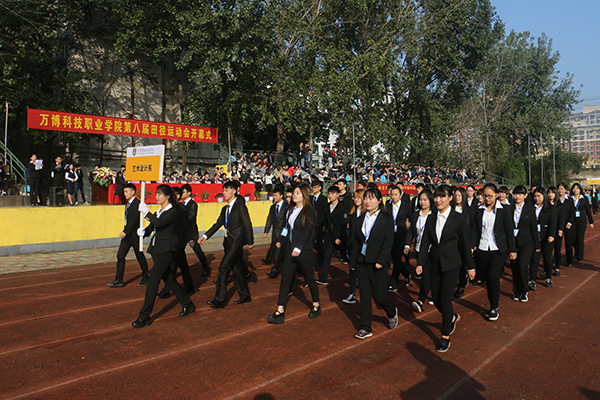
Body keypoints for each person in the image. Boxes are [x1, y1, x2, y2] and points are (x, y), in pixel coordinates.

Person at [416, 185, 475, 352]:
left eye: (442, 196)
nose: (438, 200)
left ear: (450, 198)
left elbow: (464, 244)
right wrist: (420, 263)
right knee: (435, 298)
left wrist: (470, 266)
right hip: (434, 263)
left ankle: (445, 335)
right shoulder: (431, 217)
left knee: (445, 298)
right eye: (436, 196)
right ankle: (452, 317)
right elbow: (425, 242)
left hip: (452, 263)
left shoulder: (458, 218)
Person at [133, 184, 195, 328]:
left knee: (153, 281)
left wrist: (146, 212)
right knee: (169, 279)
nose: (157, 196)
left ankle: (144, 315)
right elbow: (153, 227)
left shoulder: (172, 212)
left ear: (167, 196)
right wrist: (144, 232)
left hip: (166, 251)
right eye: (156, 193)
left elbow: (160, 223)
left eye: (160, 194)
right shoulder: (159, 211)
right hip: (156, 250)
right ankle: (187, 304)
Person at [350, 186, 398, 339]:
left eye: (371, 198)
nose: (367, 201)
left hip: (378, 263)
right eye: (366, 198)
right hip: (362, 262)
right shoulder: (360, 218)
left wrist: (382, 260)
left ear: (379, 200)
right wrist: (353, 262)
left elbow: (388, 241)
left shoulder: (386, 218)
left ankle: (391, 312)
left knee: (380, 296)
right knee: (364, 297)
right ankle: (365, 327)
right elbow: (357, 242)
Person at [267, 185, 321, 324]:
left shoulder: (309, 211)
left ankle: (316, 304)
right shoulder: (290, 210)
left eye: (298, 193)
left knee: (309, 278)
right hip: (290, 250)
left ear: (304, 195)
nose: (294, 195)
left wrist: (298, 248)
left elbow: (307, 231)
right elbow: (287, 228)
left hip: (304, 251)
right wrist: (281, 240)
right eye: (293, 193)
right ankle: (280, 310)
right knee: (285, 279)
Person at [199, 181, 254, 308]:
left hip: (236, 242)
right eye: (223, 190)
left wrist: (250, 241)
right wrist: (205, 236)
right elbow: (218, 223)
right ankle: (245, 295)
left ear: (234, 191)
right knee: (237, 269)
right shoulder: (225, 209)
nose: (224, 193)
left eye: (227, 190)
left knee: (223, 267)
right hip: (228, 242)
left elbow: (247, 223)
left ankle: (220, 299)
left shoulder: (240, 206)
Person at [473, 183, 517, 321]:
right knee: (488, 278)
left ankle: (494, 307)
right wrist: (473, 245)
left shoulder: (504, 210)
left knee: (493, 276)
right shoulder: (479, 210)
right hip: (482, 248)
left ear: (496, 195)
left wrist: (512, 249)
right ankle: (492, 303)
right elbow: (475, 230)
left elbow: (509, 230)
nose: (487, 198)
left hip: (498, 249)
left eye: (490, 196)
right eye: (485, 196)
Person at [108, 183, 150, 288]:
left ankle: (145, 276)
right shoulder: (128, 204)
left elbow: (134, 220)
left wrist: (125, 231)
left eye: (127, 191)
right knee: (120, 256)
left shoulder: (137, 204)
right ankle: (119, 279)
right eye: (124, 192)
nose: (125, 194)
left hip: (134, 235)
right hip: (127, 236)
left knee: (140, 256)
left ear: (133, 192)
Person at [156, 187, 195, 298]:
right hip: (173, 240)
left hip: (178, 241)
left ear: (176, 196)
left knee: (172, 265)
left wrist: (190, 239)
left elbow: (187, 225)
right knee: (182, 264)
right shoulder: (169, 208)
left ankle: (167, 289)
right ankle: (189, 285)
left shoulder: (180, 209)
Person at [509, 185, 540, 302]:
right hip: (513, 242)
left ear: (525, 196)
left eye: (520, 194)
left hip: (527, 242)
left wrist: (537, 245)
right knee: (514, 267)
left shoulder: (530, 209)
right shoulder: (509, 208)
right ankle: (516, 291)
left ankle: (524, 290)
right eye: (516, 194)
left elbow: (533, 227)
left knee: (522, 266)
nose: (517, 196)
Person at [407, 190, 435, 313]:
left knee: (432, 275)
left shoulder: (435, 214)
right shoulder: (416, 214)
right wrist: (407, 245)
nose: (422, 202)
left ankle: (422, 299)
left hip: (433, 250)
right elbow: (411, 231)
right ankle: (421, 300)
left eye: (425, 200)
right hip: (420, 249)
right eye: (420, 199)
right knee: (425, 276)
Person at [318, 185, 348, 285]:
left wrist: (340, 237)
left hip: (340, 236)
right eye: (329, 194)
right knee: (326, 256)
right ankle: (324, 277)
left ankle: (354, 274)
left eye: (333, 194)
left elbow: (344, 224)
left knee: (347, 257)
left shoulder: (342, 207)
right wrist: (324, 236)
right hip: (329, 236)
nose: (330, 196)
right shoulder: (327, 207)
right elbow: (326, 223)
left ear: (338, 195)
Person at [180, 184, 211, 277]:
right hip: (183, 231)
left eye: (183, 192)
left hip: (191, 231)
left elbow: (191, 219)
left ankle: (206, 267)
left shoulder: (193, 204)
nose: (182, 194)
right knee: (179, 250)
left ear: (189, 193)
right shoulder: (182, 204)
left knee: (197, 249)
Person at [386, 185, 412, 291]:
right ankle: (406, 274)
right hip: (390, 235)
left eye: (396, 195)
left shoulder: (406, 206)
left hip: (401, 235)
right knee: (393, 257)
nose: (393, 197)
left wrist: (409, 226)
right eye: (392, 194)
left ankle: (394, 282)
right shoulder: (387, 205)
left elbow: (412, 218)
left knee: (397, 258)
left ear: (400, 195)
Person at [342, 189, 366, 304]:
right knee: (352, 269)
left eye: (358, 197)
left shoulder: (367, 214)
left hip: (363, 247)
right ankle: (352, 294)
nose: (356, 200)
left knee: (363, 272)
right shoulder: (352, 213)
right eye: (355, 198)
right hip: (353, 246)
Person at [452, 187, 475, 298]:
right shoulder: (450, 209)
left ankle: (461, 286)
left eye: (459, 195)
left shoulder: (469, 211)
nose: (457, 198)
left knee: (461, 265)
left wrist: (472, 245)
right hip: (452, 242)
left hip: (464, 242)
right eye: (456, 195)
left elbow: (473, 229)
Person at [532, 187, 557, 289]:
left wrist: (551, 235)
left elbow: (553, 222)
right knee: (534, 259)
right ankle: (532, 280)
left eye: (539, 196)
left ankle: (548, 277)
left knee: (547, 258)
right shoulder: (531, 207)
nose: (537, 198)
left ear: (544, 196)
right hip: (534, 237)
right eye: (535, 196)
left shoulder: (550, 208)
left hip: (546, 237)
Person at [564, 183, 594, 265]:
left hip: (581, 221)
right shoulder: (570, 199)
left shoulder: (584, 199)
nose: (575, 190)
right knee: (573, 239)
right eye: (574, 188)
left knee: (580, 239)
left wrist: (591, 222)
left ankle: (579, 256)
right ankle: (577, 250)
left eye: (577, 188)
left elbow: (588, 211)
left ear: (580, 190)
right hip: (572, 221)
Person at [263, 185, 288, 278]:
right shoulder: (272, 207)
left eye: (276, 195)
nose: (274, 197)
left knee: (279, 251)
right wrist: (266, 231)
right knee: (273, 247)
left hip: (283, 232)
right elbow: (269, 219)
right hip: (275, 232)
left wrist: (284, 234)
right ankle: (269, 259)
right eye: (273, 195)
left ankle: (275, 270)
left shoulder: (286, 207)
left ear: (281, 196)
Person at [311, 179, 328, 265]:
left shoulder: (323, 199)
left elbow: (325, 212)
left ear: (320, 188)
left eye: (316, 187)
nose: (313, 189)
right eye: (313, 187)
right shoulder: (311, 198)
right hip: (312, 224)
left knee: (319, 242)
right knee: (311, 242)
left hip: (320, 224)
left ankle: (320, 260)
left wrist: (325, 224)